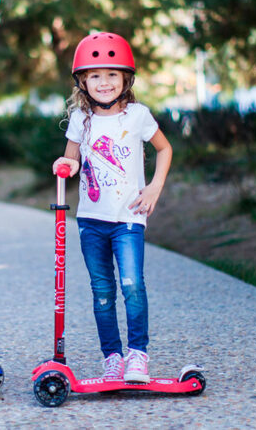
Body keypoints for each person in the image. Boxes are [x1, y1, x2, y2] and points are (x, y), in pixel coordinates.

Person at [52, 32, 172, 383]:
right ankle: (113, 358)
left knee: (132, 285)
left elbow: (164, 149)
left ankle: (138, 356)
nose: (103, 82)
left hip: (128, 218)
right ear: (82, 81)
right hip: (91, 220)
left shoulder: (137, 115)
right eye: (95, 75)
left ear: (125, 79)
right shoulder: (80, 118)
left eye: (111, 74)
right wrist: (66, 165)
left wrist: (154, 187)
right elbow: (72, 161)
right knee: (102, 291)